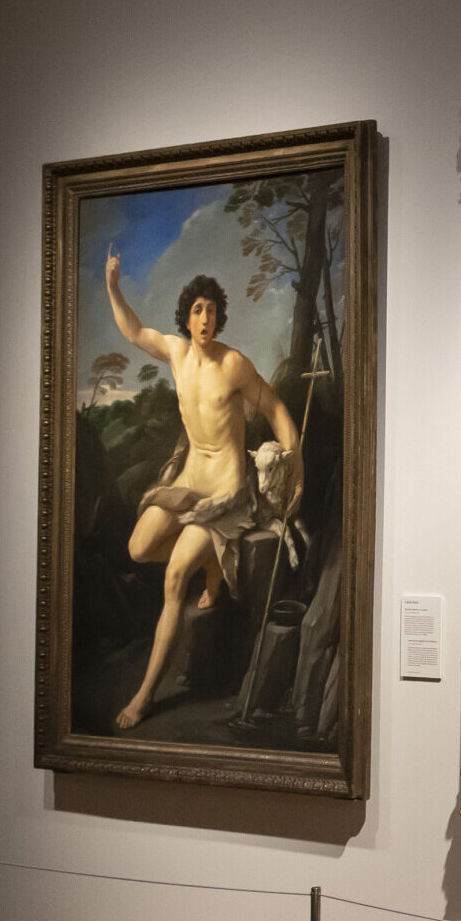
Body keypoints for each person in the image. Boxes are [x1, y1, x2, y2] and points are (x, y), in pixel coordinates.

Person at [103, 247, 302, 729]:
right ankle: (211, 562)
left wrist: (296, 461)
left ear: (219, 317)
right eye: (198, 309)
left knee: (174, 575)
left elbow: (275, 410)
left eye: (212, 310)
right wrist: (112, 286)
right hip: (188, 481)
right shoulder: (176, 354)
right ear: (187, 318)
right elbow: (133, 331)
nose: (206, 318)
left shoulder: (233, 364)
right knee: (137, 548)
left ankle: (144, 695)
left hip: (223, 495)